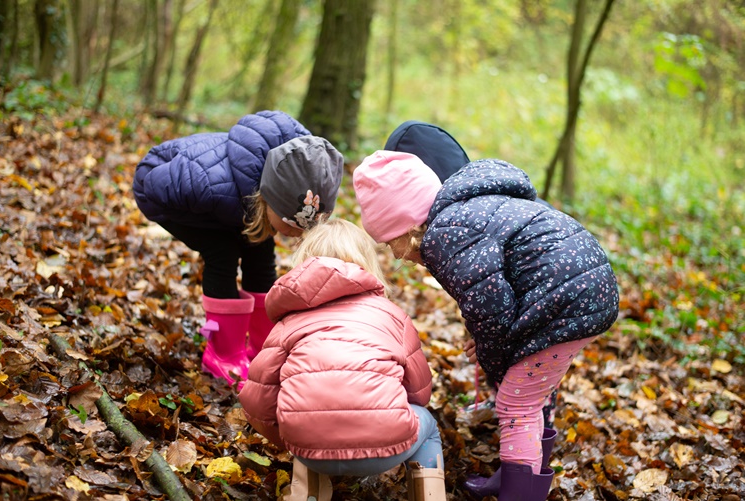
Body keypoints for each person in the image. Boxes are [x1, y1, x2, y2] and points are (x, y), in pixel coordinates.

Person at [352, 151, 620, 501]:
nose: (397, 256)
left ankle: (520, 492)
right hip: (585, 288)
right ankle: (518, 476)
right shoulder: (468, 212)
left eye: (391, 244)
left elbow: (490, 310)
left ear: (406, 226)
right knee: (528, 394)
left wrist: (493, 362)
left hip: (564, 299)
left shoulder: (445, 235)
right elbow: (491, 299)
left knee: (515, 401)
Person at [238, 219, 446, 501]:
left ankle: (307, 494)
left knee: (301, 411)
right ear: (366, 263)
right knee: (429, 426)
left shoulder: (290, 320)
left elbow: (258, 399)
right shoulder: (391, 315)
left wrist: (288, 437)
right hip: (387, 443)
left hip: (309, 449)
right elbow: (420, 391)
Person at [132, 110, 344, 386]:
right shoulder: (205, 184)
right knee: (223, 251)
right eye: (292, 225)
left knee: (260, 253)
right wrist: (219, 226)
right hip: (166, 193)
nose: (296, 234)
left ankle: (263, 349)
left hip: (236, 200)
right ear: (271, 199)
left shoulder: (294, 173)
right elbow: (154, 183)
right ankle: (223, 354)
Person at [385, 120, 561, 425]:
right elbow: (481, 290)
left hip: (546, 289)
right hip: (557, 281)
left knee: (527, 359)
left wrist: (490, 343)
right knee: (503, 335)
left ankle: (530, 425)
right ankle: (516, 409)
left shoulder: (457, 223)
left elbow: (494, 294)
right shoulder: (476, 197)